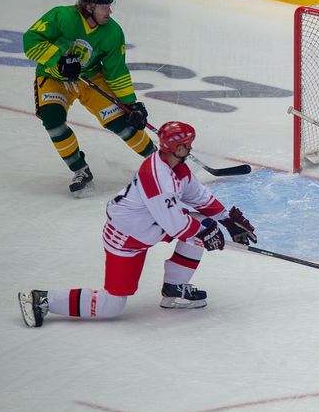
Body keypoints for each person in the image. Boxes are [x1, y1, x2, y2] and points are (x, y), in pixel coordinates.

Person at [17, 121, 257, 327]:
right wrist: (206, 232)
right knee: (111, 305)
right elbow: (175, 225)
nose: (191, 147)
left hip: (152, 225)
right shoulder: (157, 178)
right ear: (177, 147)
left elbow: (198, 197)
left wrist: (226, 220)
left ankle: (174, 289)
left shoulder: (177, 167)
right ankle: (42, 299)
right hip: (127, 236)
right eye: (187, 143)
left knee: (201, 227)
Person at [23, 0, 156, 195]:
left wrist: (131, 103)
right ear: (89, 7)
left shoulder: (112, 32)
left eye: (110, 6)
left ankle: (160, 162)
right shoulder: (62, 17)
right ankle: (80, 170)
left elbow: (116, 71)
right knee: (53, 120)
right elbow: (31, 40)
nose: (109, 11)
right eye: (104, 7)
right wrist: (59, 61)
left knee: (123, 123)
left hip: (91, 77)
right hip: (53, 78)